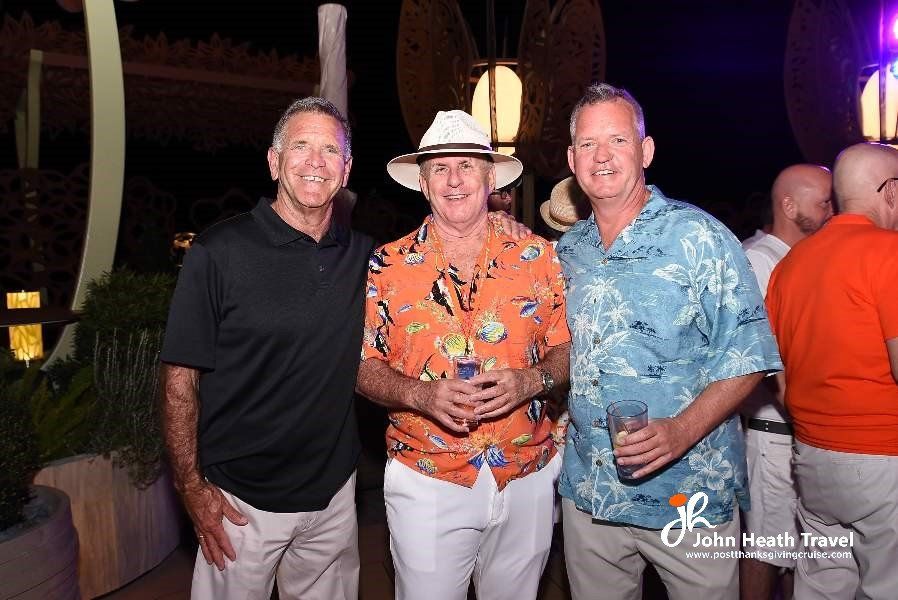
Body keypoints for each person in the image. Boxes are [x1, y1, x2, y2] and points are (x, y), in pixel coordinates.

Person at [556, 82, 782, 600]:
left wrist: (682, 430)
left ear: (646, 149)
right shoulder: (568, 252)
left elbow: (751, 355)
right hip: (590, 493)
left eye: (617, 140)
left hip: (688, 491)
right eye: (588, 144)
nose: (602, 156)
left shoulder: (699, 236)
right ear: (572, 159)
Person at [160, 97, 372, 599]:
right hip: (240, 501)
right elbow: (179, 378)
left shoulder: (364, 255)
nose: (315, 162)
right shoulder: (218, 253)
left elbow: (433, 256)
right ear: (274, 161)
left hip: (334, 497)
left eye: (330, 150)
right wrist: (190, 486)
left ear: (346, 169)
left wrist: (498, 221)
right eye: (300, 147)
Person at [356, 109, 571, 600]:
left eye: (467, 166)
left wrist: (532, 380)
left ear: (490, 178)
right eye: (440, 168)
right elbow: (363, 366)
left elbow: (567, 349)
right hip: (427, 476)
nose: (454, 180)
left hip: (525, 474)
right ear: (423, 184)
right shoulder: (386, 265)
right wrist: (419, 394)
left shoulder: (537, 256)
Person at [765, 142, 898, 600]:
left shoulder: (790, 265)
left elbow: (774, 375)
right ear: (891, 192)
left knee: (823, 583)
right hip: (884, 455)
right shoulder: (891, 253)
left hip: (812, 457)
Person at [739, 164, 832, 600]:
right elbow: (765, 355)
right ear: (789, 205)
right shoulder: (758, 260)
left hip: (798, 434)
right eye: (825, 201)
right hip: (770, 434)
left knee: (800, 554)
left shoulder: (803, 259)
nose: (833, 209)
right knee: (766, 548)